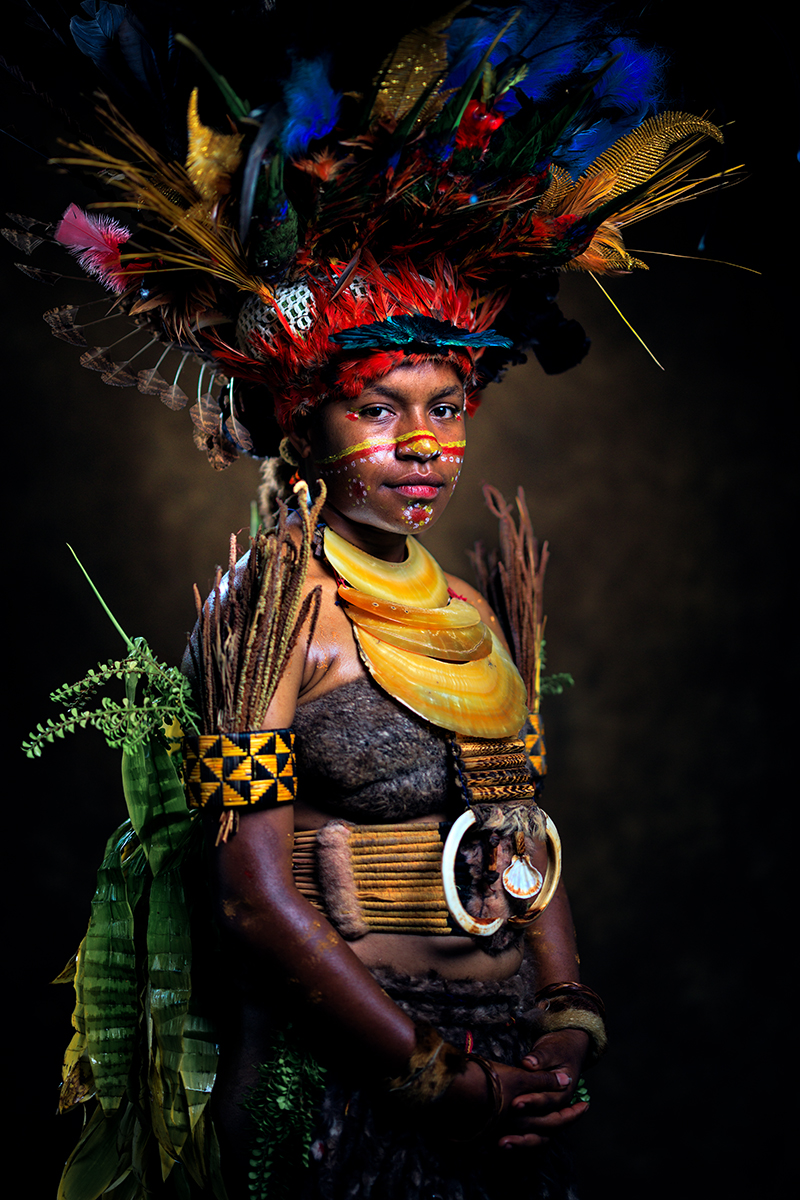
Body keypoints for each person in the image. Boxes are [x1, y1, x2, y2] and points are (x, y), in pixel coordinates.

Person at [8, 5, 729, 1197]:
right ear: (304, 417)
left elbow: (520, 836)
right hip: (348, 1065)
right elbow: (253, 899)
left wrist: (560, 1023)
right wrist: (429, 1077)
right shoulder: (270, 611)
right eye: (377, 407)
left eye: (443, 406)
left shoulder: (472, 610)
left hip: (499, 1052)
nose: (420, 444)